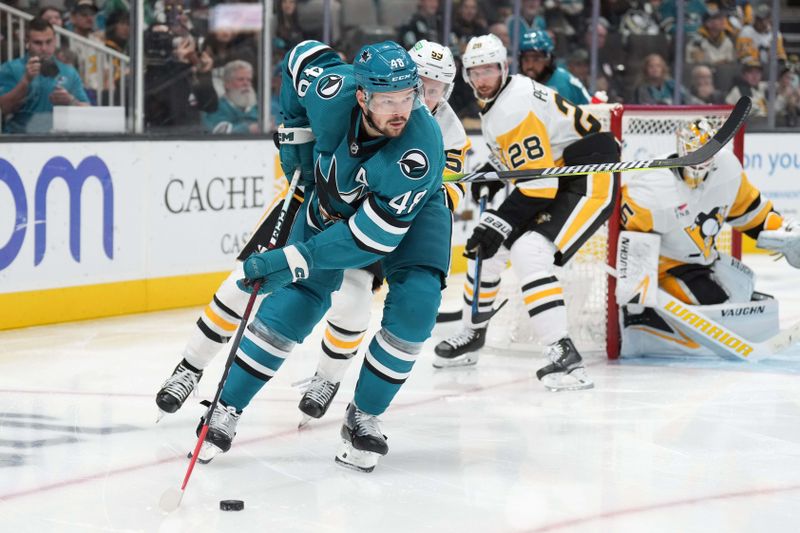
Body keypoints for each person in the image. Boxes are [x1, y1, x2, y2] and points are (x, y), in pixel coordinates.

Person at [183, 40, 450, 473]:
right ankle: (225, 407)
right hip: (333, 198)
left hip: (412, 218)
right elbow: (299, 56)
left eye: (408, 97)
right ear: (361, 95)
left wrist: (290, 260)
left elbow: (369, 241)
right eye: (387, 100)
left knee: (417, 306)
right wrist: (294, 133)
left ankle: (364, 415)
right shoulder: (332, 90)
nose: (401, 109)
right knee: (296, 302)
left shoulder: (418, 152)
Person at [292, 39, 471, 426]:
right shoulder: (386, 104)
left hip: (408, 229)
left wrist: (428, 187)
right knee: (351, 303)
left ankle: (365, 410)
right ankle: (327, 378)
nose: (427, 91)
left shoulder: (451, 132)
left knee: (412, 311)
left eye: (437, 86)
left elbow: (451, 193)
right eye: (421, 82)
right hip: (363, 219)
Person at [433, 34, 619, 392]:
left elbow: (538, 188)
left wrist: (498, 222)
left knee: (527, 250)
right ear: (467, 76)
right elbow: (534, 155)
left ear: (504, 68)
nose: (483, 79)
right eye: (475, 72)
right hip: (557, 172)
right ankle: (473, 333)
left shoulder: (512, 106)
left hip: (587, 176)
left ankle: (564, 355)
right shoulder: (504, 98)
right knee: (485, 249)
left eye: (489, 70)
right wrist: (495, 167)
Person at [618, 119, 800, 357]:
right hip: (667, 269)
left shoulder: (727, 168)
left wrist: (782, 231)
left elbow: (752, 212)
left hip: (705, 261)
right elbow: (629, 246)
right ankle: (649, 328)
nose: (702, 160)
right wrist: (637, 303)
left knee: (744, 290)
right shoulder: (653, 186)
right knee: (724, 308)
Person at [0, 17, 89, 134]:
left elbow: (87, 111)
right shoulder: (10, 68)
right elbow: (3, 109)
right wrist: (25, 81)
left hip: (58, 139)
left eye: (49, 42)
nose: (44, 48)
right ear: (27, 42)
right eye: (38, 43)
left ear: (55, 40)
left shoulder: (69, 71)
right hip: (18, 140)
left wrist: (71, 101)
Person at [518, 30, 589, 105]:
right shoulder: (520, 83)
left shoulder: (562, 83)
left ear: (548, 60)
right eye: (525, 60)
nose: (530, 65)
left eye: (536, 60)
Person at [203, 60, 259, 134]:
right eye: (241, 79)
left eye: (249, 80)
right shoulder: (214, 108)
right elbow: (218, 134)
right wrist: (248, 129)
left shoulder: (258, 107)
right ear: (227, 84)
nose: (246, 84)